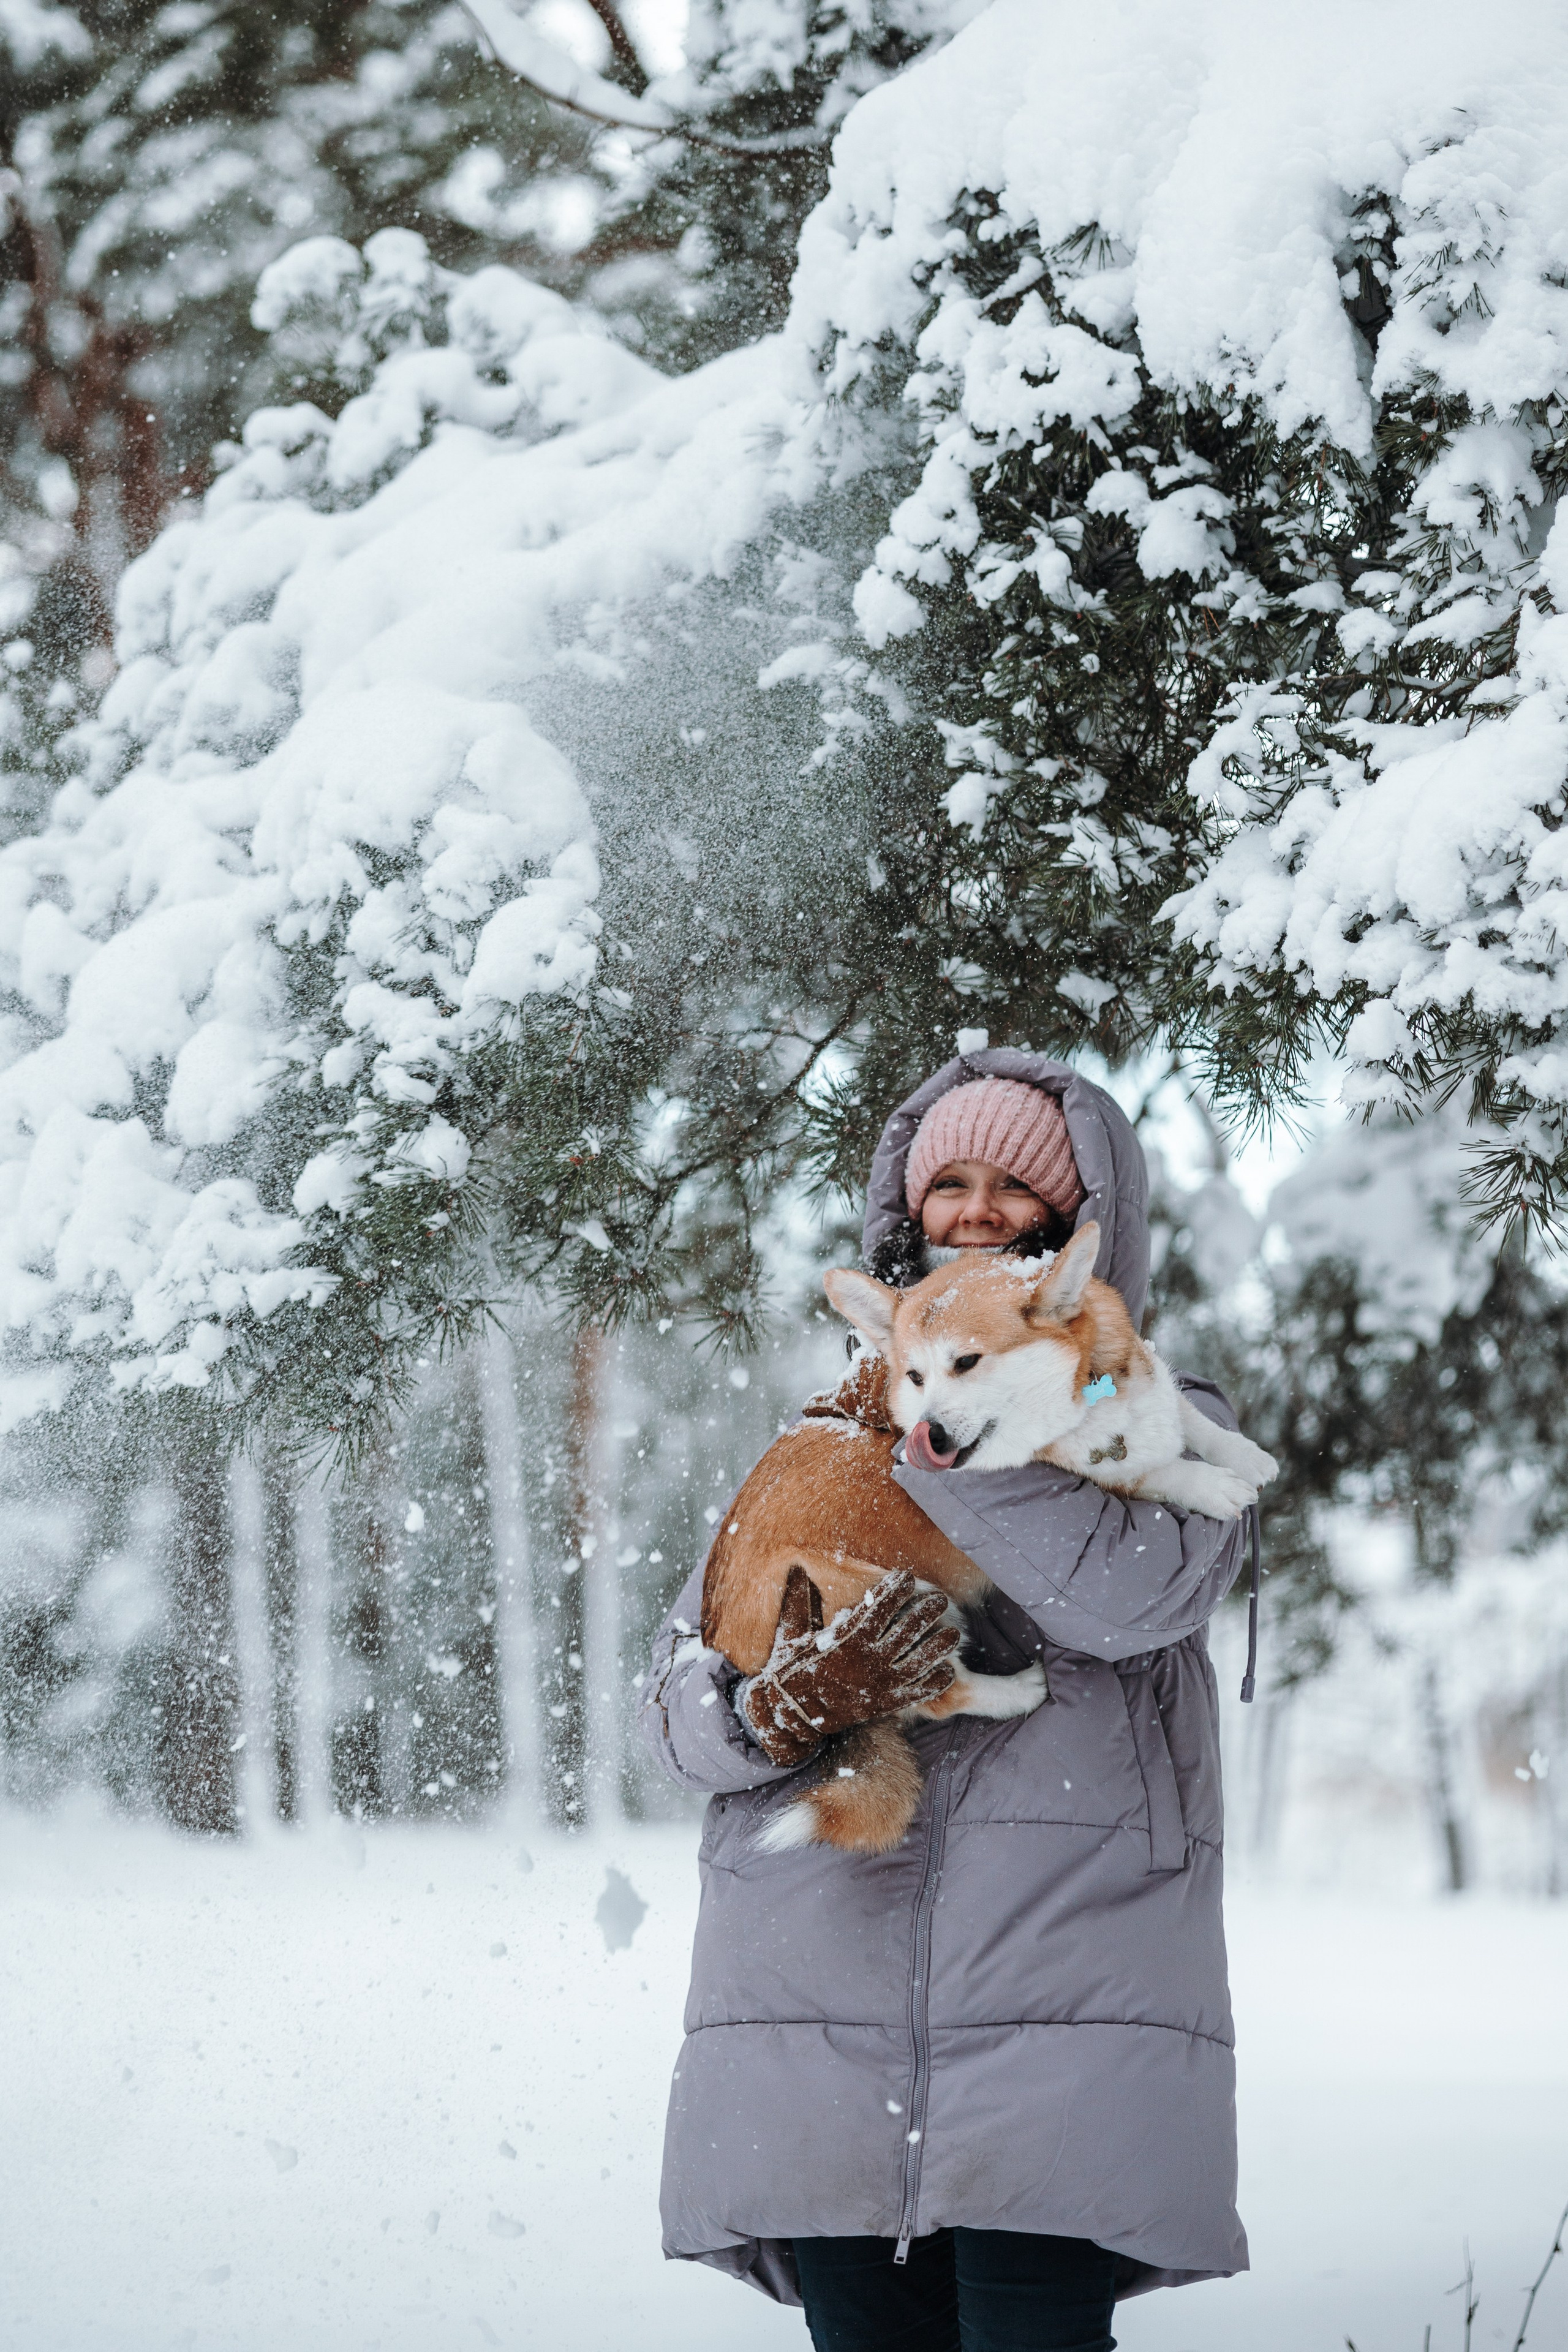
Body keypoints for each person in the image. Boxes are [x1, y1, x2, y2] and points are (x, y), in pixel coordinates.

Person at [641, 1049, 1250, 2352]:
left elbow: (1126, 1602)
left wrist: (952, 1418)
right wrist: (771, 1713)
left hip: (1059, 2016)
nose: (972, 1211)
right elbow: (675, 1712)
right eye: (947, 1186)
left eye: (1013, 1188)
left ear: (1080, 1219)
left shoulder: (1157, 1417)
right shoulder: (823, 1441)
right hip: (817, 2011)